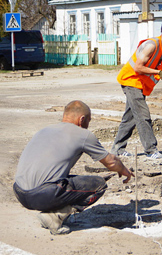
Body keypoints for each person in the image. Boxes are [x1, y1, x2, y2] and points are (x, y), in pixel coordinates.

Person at [13, 100, 133, 235]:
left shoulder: (44, 130)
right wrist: (124, 170)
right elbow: (111, 162)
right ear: (82, 119)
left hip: (20, 192)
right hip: (43, 194)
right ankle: (54, 217)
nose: (88, 125)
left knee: (63, 180)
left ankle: (53, 213)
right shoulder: (83, 134)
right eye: (89, 120)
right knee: (99, 185)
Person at [111, 17, 162, 159]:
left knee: (130, 118)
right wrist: (158, 73)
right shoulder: (151, 45)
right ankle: (151, 150)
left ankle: (118, 149)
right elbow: (138, 67)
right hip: (130, 81)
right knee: (143, 115)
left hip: (140, 85)